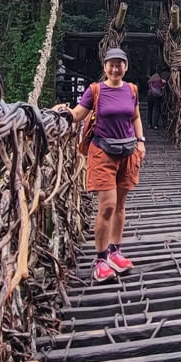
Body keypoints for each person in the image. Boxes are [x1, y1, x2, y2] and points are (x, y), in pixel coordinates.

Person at [52, 47, 146, 282]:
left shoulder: (132, 89)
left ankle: (115, 251)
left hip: (128, 151)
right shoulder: (95, 90)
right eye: (111, 64)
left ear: (126, 67)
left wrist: (141, 141)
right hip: (103, 152)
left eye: (120, 64)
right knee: (107, 206)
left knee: (121, 207)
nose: (115, 68)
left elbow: (135, 117)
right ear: (104, 67)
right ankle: (101, 259)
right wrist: (61, 113)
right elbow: (77, 115)